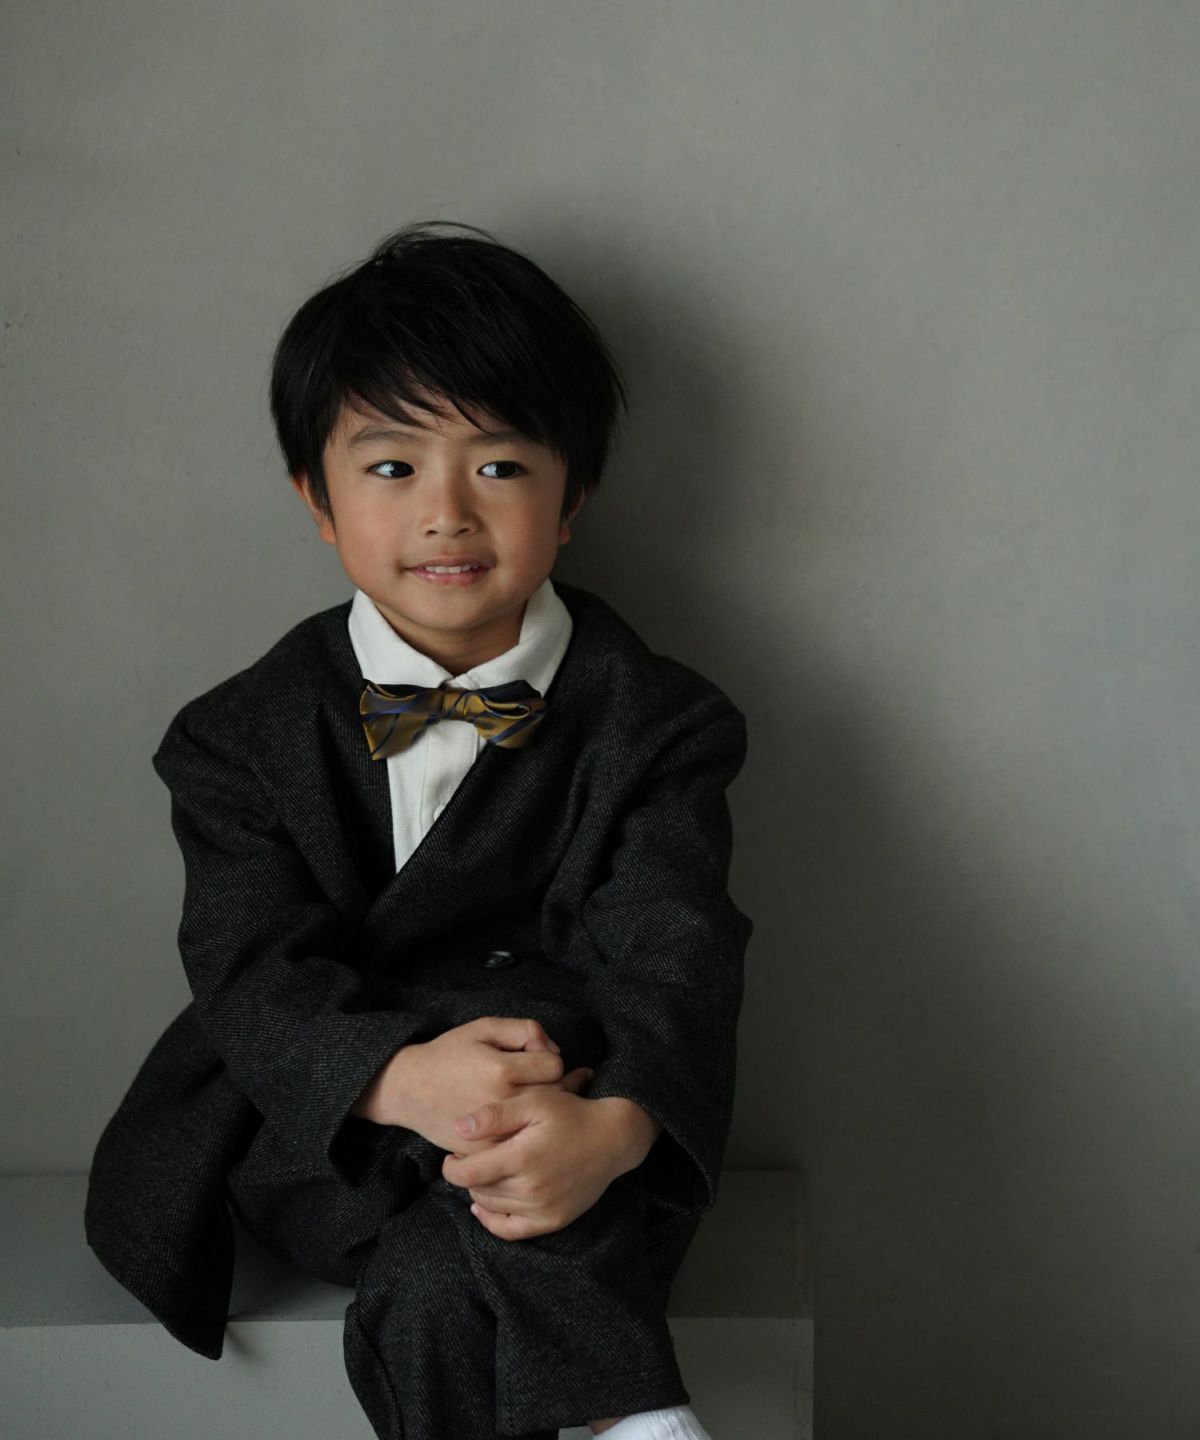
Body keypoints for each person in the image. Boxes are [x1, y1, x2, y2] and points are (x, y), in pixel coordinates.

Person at [85, 220, 752, 1440]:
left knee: (452, 1266)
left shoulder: (659, 722)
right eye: (392, 467)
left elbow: (678, 946)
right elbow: (249, 968)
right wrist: (398, 1078)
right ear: (318, 499)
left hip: (569, 1118)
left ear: (571, 498)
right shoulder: (237, 738)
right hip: (326, 1129)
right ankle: (643, 1417)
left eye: (498, 467)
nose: (446, 514)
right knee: (477, 1200)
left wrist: (616, 1129)